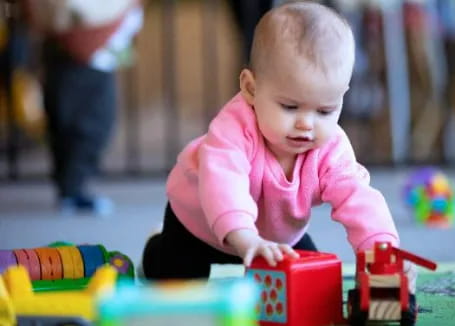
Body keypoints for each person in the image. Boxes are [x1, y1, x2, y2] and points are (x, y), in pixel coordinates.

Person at [143, 2, 412, 286]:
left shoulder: (330, 148)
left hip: (276, 240)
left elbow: (358, 198)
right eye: (289, 106)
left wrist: (382, 251)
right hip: (197, 227)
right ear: (250, 88)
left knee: (314, 286)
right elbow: (223, 182)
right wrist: (245, 237)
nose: (306, 124)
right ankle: (154, 246)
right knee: (172, 284)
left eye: (324, 111)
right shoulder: (233, 129)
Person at [22, 0, 143, 215]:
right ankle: (72, 190)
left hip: (79, 51)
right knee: (90, 124)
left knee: (69, 122)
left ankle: (70, 189)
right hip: (85, 54)